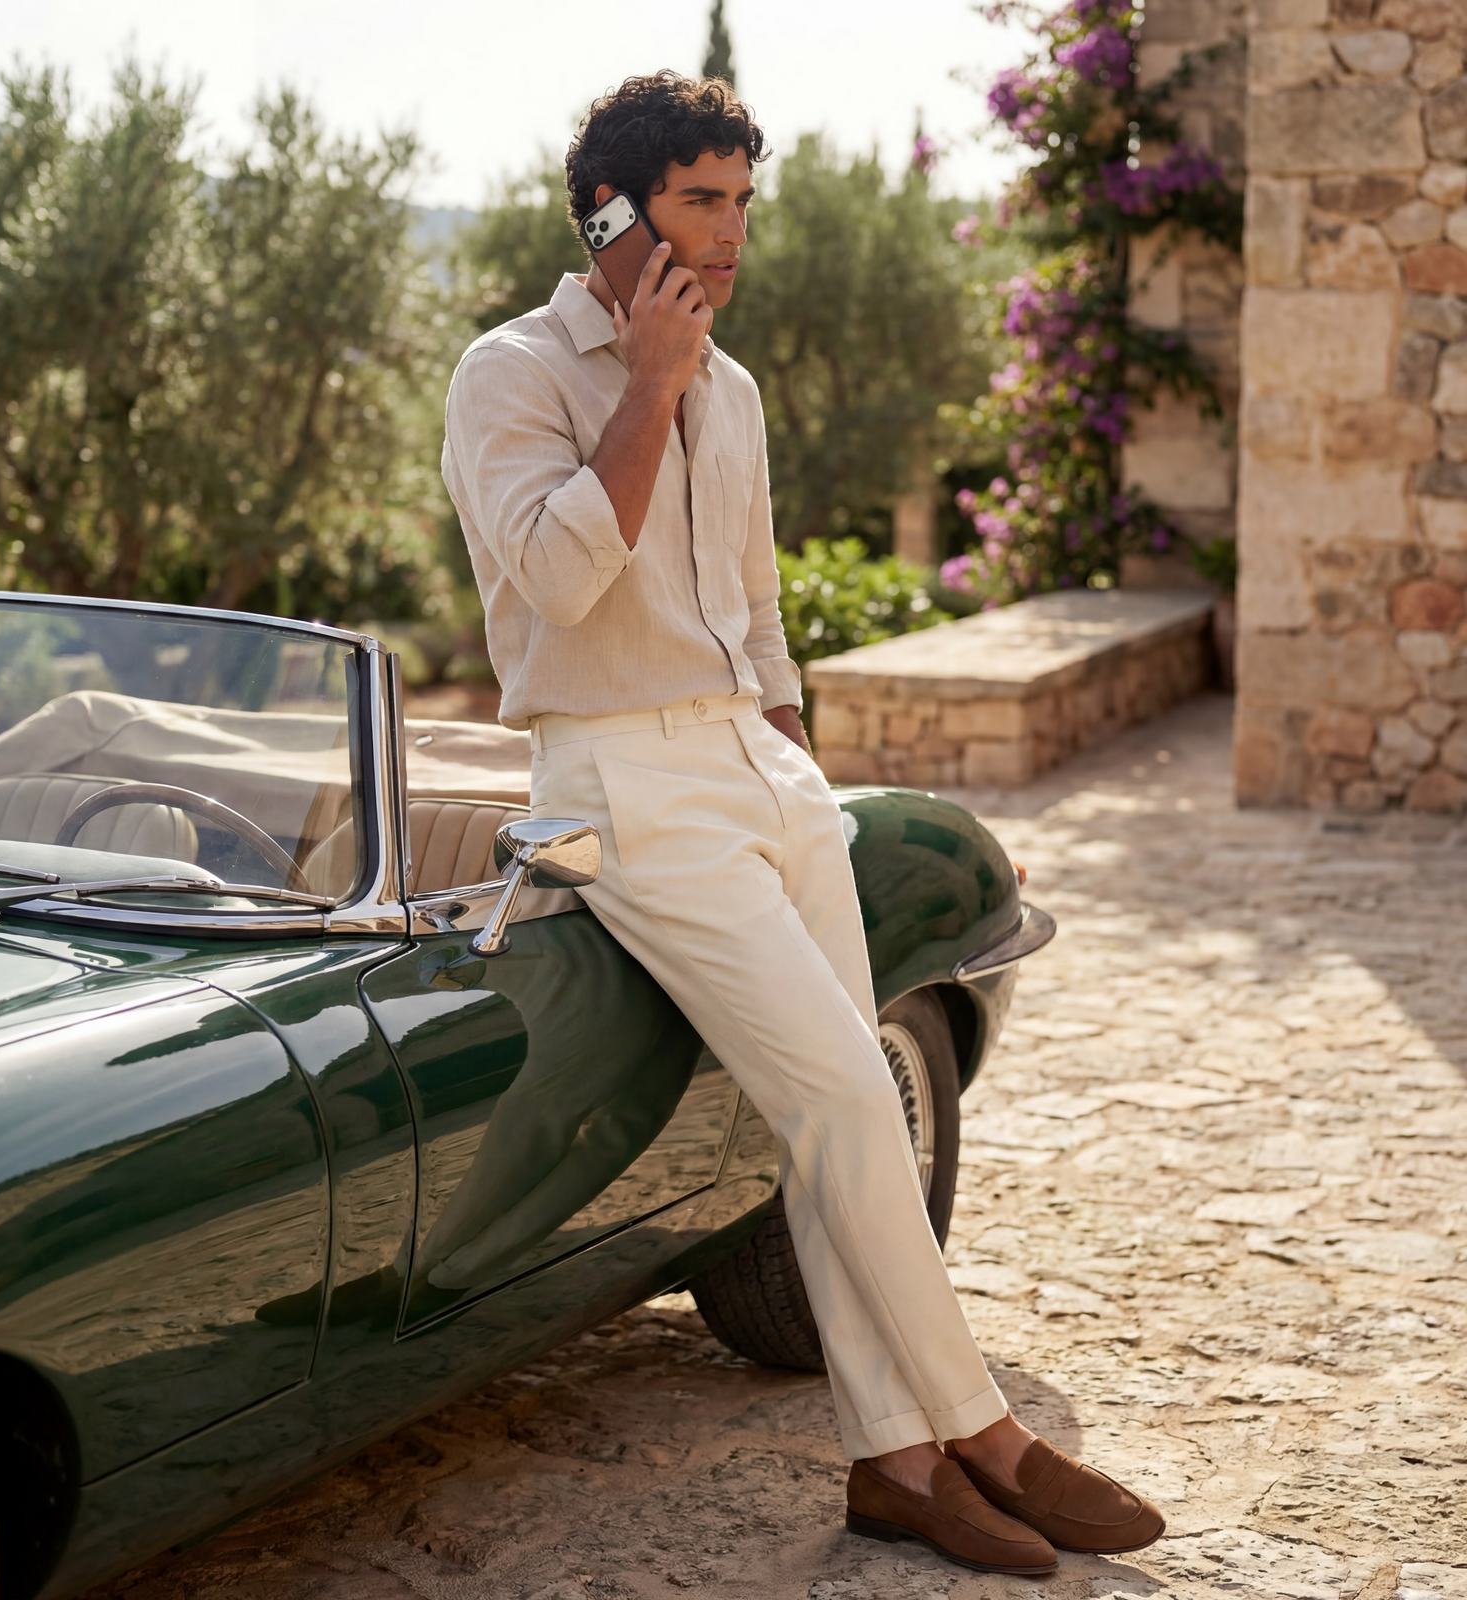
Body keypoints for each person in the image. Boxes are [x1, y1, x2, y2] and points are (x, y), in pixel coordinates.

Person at [440, 71, 1164, 1578]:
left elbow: (754, 608)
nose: (732, 234)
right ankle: (992, 1438)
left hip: (763, 780)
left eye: (743, 203)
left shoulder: (742, 389)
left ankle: (895, 1464)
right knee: (847, 1093)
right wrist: (643, 382)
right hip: (622, 783)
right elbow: (562, 584)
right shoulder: (506, 376)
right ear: (614, 211)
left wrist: (785, 744)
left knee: (845, 1130)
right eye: (703, 201)